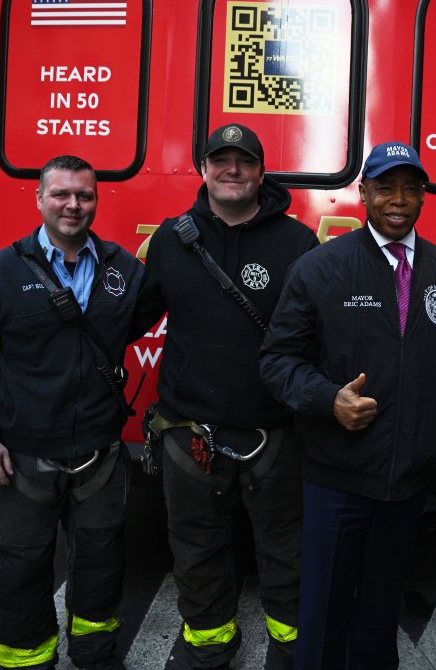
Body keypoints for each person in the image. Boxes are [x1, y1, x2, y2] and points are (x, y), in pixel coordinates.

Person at [260, 141, 436, 670]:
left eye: (411, 188)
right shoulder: (321, 268)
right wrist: (327, 400)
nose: (399, 199)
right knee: (323, 615)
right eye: (386, 187)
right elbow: (277, 360)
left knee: (380, 614)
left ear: (423, 196)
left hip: (408, 483)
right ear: (364, 193)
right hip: (337, 479)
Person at [132, 123, 318, 670]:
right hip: (190, 435)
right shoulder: (172, 238)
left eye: (244, 161)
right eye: (221, 160)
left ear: (262, 172)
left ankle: (293, 647)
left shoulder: (298, 243)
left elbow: (322, 336)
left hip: (276, 433)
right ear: (204, 169)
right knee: (196, 550)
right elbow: (132, 316)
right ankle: (210, 650)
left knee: (288, 551)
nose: (231, 170)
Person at [0, 155, 144, 670]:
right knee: (21, 569)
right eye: (61, 194)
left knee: (103, 564)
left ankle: (96, 656)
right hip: (24, 455)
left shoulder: (124, 270)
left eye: (84, 195)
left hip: (100, 454)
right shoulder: (2, 272)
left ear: (96, 201)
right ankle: (26, 662)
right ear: (39, 199)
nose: (73, 205)